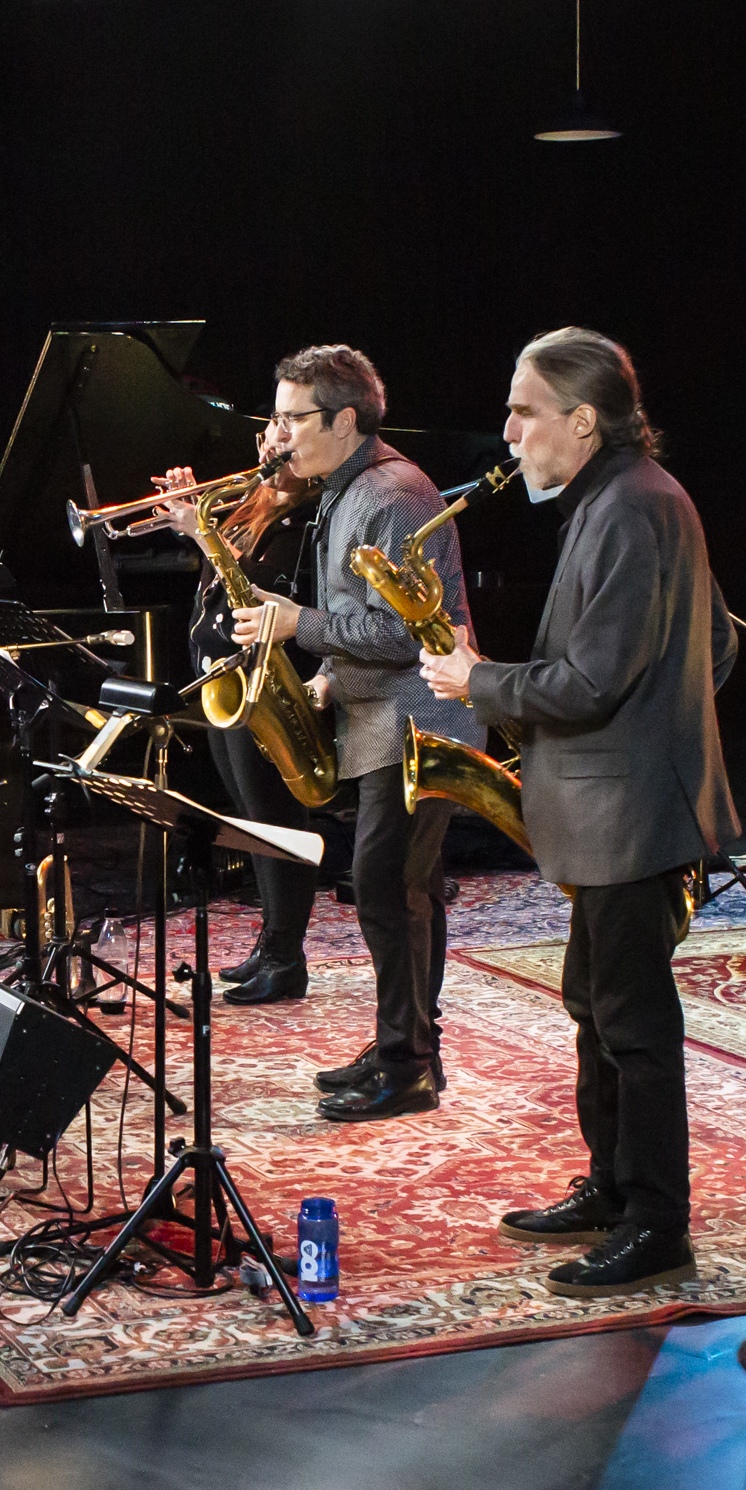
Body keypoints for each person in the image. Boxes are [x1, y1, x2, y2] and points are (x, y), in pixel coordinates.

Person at [423, 328, 737, 1299]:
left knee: (633, 1026)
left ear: (585, 419)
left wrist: (480, 681)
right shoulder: (625, 498)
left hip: (629, 817)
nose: (508, 433)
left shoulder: (632, 506)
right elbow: (718, 644)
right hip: (616, 806)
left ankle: (656, 1223)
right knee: (594, 1008)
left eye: (524, 412)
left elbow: (594, 679)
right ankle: (612, 1187)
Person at [180, 346, 484, 1122]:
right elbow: (367, 617)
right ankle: (405, 1046)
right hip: (384, 714)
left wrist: (299, 625)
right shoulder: (349, 487)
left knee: (388, 888)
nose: (277, 435)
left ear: (345, 421)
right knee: (402, 890)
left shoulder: (394, 494)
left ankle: (408, 1066)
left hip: (418, 723)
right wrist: (326, 678)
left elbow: (410, 632)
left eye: (292, 419)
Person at [161, 450, 324, 1006]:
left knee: (275, 822)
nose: (273, 442)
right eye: (268, 429)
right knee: (251, 820)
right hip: (223, 679)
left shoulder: (305, 519)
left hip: (264, 687)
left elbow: (254, 589)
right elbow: (216, 582)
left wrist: (200, 531)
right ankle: (271, 943)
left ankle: (286, 957)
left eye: (286, 428)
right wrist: (196, 514)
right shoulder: (252, 504)